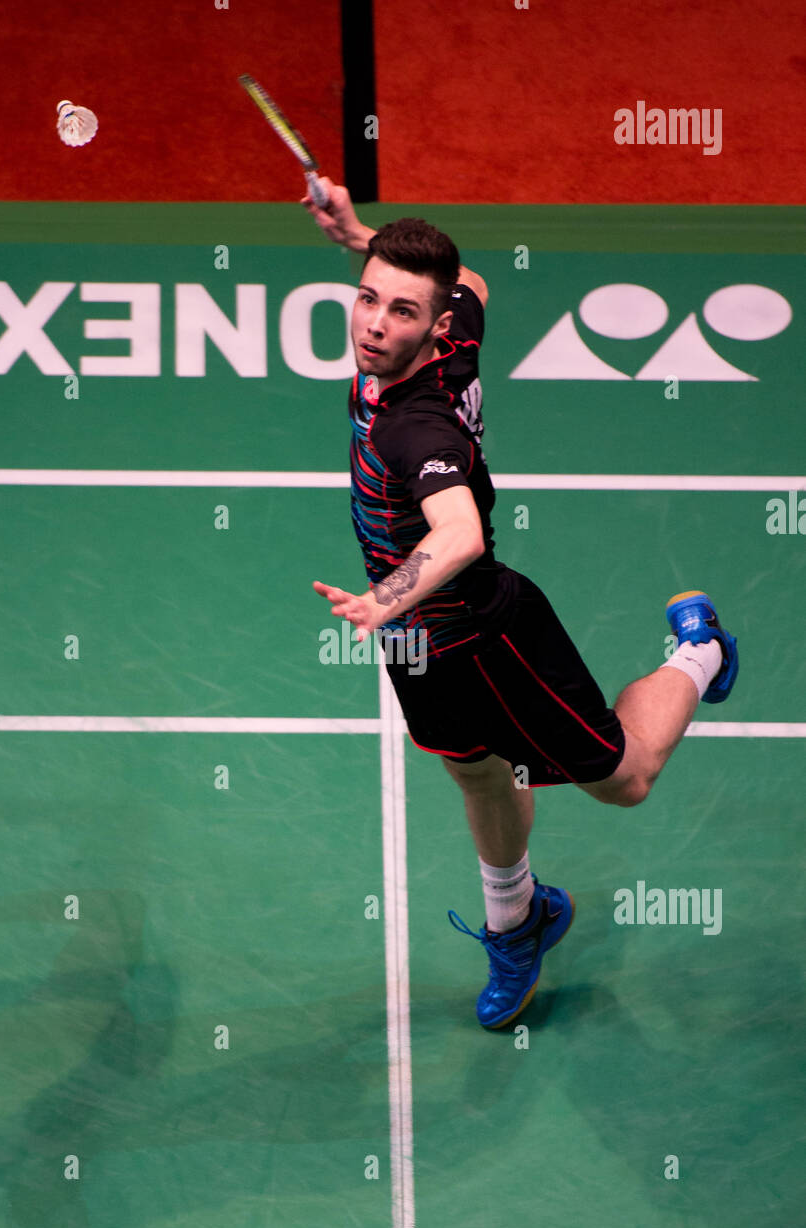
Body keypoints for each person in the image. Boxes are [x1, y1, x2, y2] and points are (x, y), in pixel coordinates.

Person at [303, 179, 739, 1031]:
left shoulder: (414, 426)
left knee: (626, 780)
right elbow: (475, 285)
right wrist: (361, 233)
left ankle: (701, 651)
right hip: (419, 641)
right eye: (367, 300)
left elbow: (458, 534)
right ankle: (520, 922)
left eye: (399, 312)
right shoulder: (451, 331)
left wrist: (380, 601)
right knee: (471, 767)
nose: (372, 324)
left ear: (431, 330)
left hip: (481, 628)